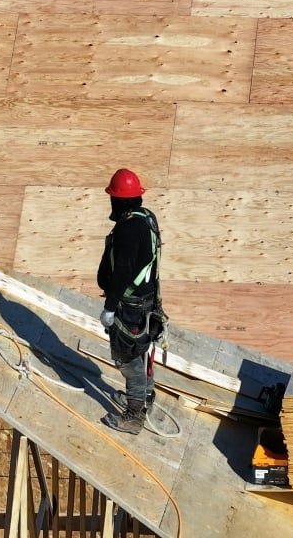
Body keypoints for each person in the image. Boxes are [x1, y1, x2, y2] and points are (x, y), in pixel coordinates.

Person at [96, 168, 164, 435]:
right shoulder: (146, 218)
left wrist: (110, 308)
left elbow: (123, 270)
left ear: (120, 200)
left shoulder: (128, 228)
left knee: (128, 358)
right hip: (146, 301)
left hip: (130, 305)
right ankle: (145, 396)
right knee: (141, 349)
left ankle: (134, 416)